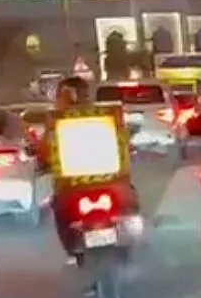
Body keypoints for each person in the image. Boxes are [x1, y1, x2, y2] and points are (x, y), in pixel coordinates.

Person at [47, 76, 140, 264]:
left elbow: (46, 149)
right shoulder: (106, 114)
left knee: (58, 207)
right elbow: (124, 141)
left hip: (72, 188)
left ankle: (75, 252)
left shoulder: (57, 119)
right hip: (113, 183)